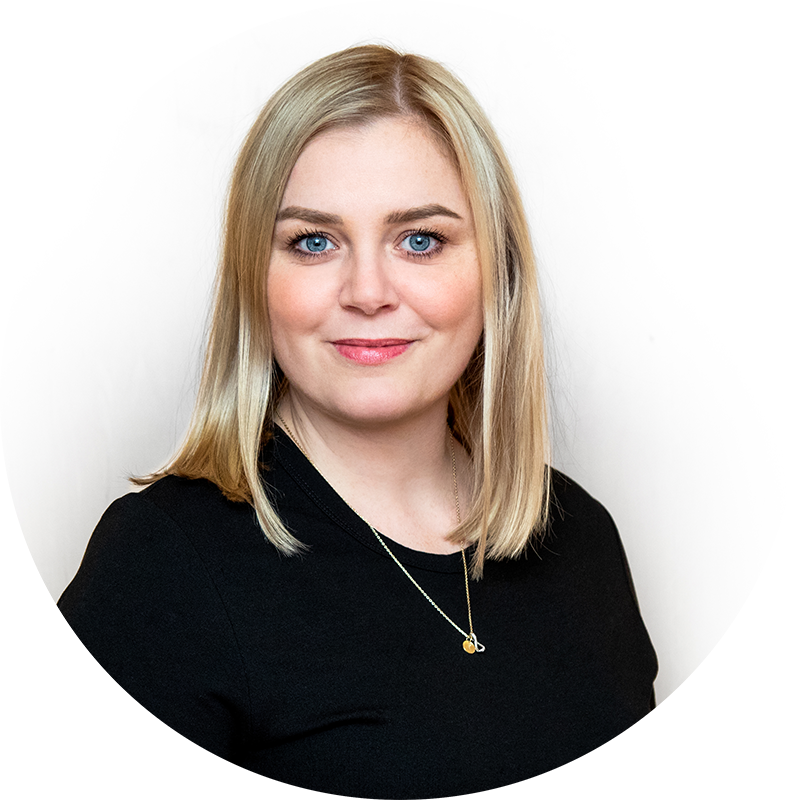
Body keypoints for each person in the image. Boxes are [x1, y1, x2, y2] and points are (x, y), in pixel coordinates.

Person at [58, 44, 657, 798]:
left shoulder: (580, 534)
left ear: (496, 271)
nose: (368, 292)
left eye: (420, 240)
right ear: (255, 278)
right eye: (313, 242)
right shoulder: (159, 566)